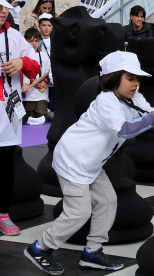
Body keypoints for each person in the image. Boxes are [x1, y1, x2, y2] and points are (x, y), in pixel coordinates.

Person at [23, 51, 154, 275]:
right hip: (72, 160)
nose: (136, 83)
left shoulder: (135, 97)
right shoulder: (106, 101)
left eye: (138, 78)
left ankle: (92, 252)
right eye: (130, 78)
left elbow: (149, 117)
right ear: (113, 78)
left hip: (91, 163)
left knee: (107, 201)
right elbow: (125, 130)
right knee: (78, 213)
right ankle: (40, 249)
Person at [0, 0, 41, 236]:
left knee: (5, 165)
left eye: (5, 5)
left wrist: (21, 62)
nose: (3, 10)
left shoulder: (15, 36)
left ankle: (3, 214)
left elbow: (35, 65)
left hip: (7, 114)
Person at [21, 28, 50, 125]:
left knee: (41, 113)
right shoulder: (23, 56)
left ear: (40, 41)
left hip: (41, 93)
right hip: (29, 93)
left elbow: (49, 71)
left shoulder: (45, 55)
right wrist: (32, 82)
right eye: (31, 41)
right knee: (29, 115)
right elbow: (23, 73)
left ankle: (52, 115)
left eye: (36, 41)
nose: (34, 44)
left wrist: (45, 81)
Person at [37, 12, 54, 117]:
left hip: (52, 75)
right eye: (43, 25)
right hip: (41, 74)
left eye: (49, 25)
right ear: (39, 27)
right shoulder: (36, 40)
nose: (46, 28)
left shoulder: (57, 40)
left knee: (52, 97)